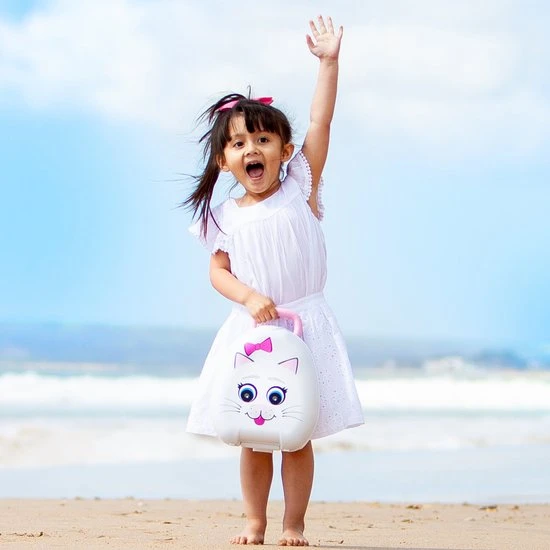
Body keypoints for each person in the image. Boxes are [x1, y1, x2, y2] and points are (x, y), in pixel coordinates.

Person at [184, 15, 364, 547]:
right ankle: (255, 521)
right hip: (253, 328)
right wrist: (248, 296)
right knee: (253, 432)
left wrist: (329, 62)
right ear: (225, 161)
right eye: (239, 144)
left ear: (285, 151)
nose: (252, 149)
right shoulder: (223, 216)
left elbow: (321, 122)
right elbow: (218, 271)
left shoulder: (299, 188)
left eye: (263, 139)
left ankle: (293, 523)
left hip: (305, 324)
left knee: (296, 433)